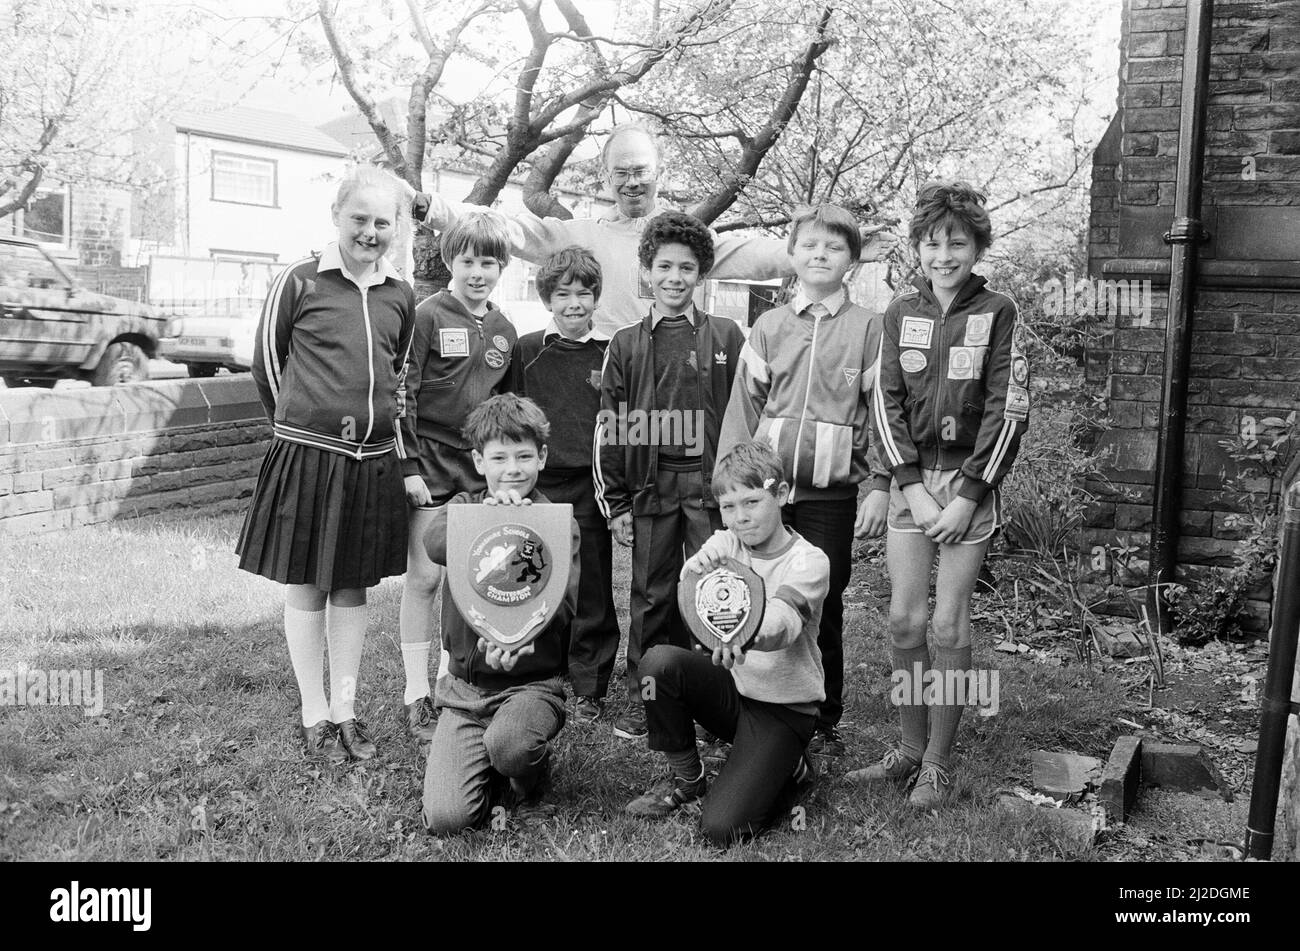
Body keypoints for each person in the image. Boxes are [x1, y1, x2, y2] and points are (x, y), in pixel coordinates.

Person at [848, 181, 1029, 809]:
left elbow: (1011, 410)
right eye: (931, 242)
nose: (943, 253)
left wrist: (966, 494)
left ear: (978, 245)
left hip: (966, 487)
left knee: (950, 626)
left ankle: (939, 762)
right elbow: (885, 404)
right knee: (905, 618)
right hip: (911, 484)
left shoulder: (1000, 311)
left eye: (957, 241)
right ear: (917, 249)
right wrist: (911, 490)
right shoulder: (900, 313)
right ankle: (906, 746)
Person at [237, 165, 416, 764]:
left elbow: (399, 379)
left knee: (351, 587)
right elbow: (267, 363)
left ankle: (346, 708)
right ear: (336, 217)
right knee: (307, 584)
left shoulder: (400, 295)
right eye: (358, 219)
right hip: (309, 457)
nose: (370, 232)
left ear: (396, 228)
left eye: (381, 222)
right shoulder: (301, 280)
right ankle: (314, 712)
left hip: (371, 463)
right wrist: (296, 427)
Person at [412, 122, 898, 337]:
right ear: (605, 177)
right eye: (621, 172)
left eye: (641, 170)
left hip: (666, 366)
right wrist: (431, 207)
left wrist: (840, 248)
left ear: (658, 173)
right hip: (599, 367)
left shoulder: (681, 237)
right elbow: (508, 229)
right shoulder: (577, 234)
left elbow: (753, 252)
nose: (632, 181)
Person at [717, 203, 891, 757]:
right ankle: (740, 701)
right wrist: (732, 486)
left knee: (824, 599)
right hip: (769, 493)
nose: (820, 255)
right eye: (810, 245)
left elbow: (883, 409)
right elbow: (744, 407)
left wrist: (881, 483)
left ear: (853, 260)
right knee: (747, 588)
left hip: (830, 495)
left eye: (834, 247)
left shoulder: (869, 328)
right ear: (792, 256)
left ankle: (820, 716)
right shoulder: (769, 325)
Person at [624, 441, 829, 847]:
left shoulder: (810, 561)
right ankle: (688, 779)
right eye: (729, 507)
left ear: (782, 494)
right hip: (734, 690)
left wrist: (742, 637)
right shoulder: (727, 541)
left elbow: (784, 624)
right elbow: (695, 577)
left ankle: (792, 765)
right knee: (658, 664)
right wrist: (695, 571)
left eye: (752, 502)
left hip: (785, 707)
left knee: (722, 829)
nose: (741, 518)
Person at [594, 210, 744, 740]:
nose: (674, 278)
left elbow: (744, 416)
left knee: (715, 589)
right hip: (652, 488)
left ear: (700, 274)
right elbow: (610, 427)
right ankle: (648, 698)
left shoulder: (727, 336)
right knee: (654, 595)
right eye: (664, 267)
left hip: (709, 491)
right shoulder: (628, 343)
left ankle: (717, 696)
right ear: (646, 271)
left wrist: (739, 493)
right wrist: (616, 502)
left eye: (686, 267)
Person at [420, 394, 580, 834]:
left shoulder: (555, 520)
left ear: (542, 457)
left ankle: (529, 784)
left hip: (531, 683)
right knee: (448, 818)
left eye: (525, 456)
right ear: (478, 460)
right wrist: (473, 522)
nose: (513, 468)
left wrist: (522, 644)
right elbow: (433, 544)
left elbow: (564, 605)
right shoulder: (465, 509)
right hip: (466, 692)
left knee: (510, 744)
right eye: (500, 457)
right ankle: (489, 759)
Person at [397, 212, 517, 742]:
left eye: (488, 262)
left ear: (501, 267)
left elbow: (505, 412)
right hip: (430, 464)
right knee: (424, 578)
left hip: (475, 475)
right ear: (450, 261)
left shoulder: (503, 330)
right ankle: (413, 694)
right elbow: (404, 394)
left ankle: (452, 684)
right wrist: (409, 466)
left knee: (467, 582)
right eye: (467, 260)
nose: (477, 271)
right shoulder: (426, 316)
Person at [507, 246, 619, 721]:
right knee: (536, 577)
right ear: (547, 299)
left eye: (584, 293)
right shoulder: (527, 349)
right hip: (540, 486)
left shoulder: (613, 350)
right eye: (563, 294)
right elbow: (511, 414)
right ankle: (538, 672)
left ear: (596, 297)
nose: (575, 303)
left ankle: (590, 687)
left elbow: (624, 421)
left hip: (591, 487)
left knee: (591, 584)